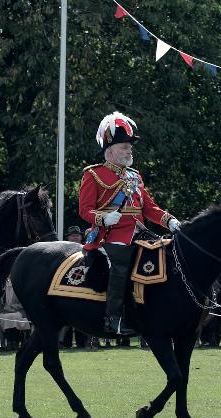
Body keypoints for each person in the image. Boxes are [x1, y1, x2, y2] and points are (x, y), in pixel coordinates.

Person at [78, 112, 181, 334]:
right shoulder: (94, 175)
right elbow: (84, 210)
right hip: (110, 236)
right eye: (124, 146)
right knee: (121, 265)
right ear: (110, 151)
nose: (129, 150)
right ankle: (113, 318)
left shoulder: (135, 176)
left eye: (130, 147)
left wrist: (169, 220)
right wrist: (103, 218)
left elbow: (149, 208)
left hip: (139, 233)